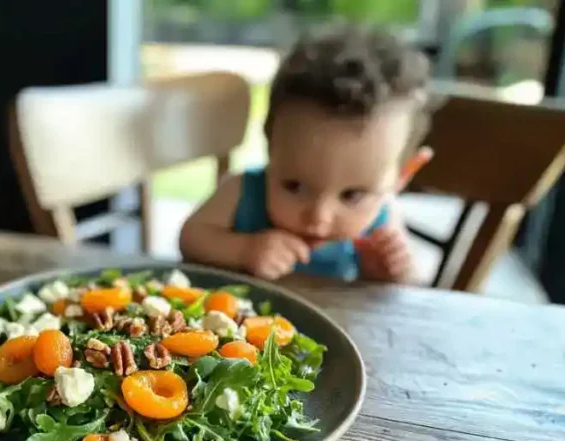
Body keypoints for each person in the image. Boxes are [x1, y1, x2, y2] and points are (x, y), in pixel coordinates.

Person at [179, 23, 434, 283]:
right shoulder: (242, 191)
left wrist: (394, 273)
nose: (318, 217)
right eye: (294, 186)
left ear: (403, 176)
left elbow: (412, 293)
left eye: (352, 195)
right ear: (271, 149)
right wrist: (244, 250)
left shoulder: (383, 220)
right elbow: (190, 237)